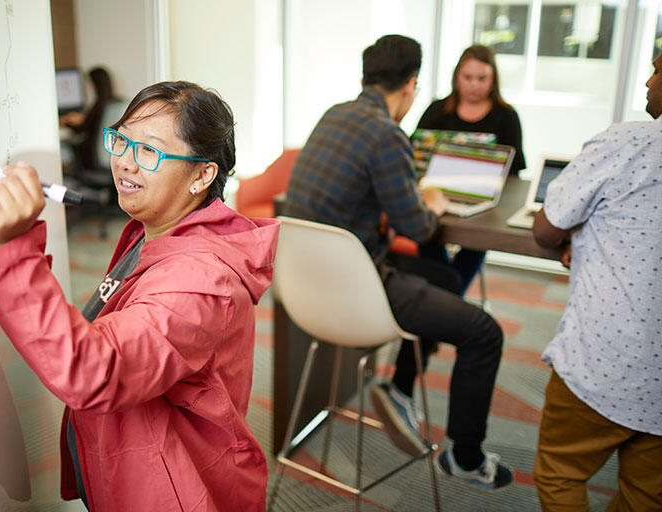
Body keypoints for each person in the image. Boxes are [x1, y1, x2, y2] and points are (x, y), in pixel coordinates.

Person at [0, 81, 279, 510]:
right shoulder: (153, 231)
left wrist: (12, 250)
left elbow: (94, 369)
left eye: (149, 151)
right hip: (140, 463)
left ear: (202, 175)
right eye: (121, 140)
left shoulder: (200, 280)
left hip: (176, 490)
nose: (124, 163)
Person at [283, 34, 512, 490]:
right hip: (358, 294)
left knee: (444, 278)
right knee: (486, 333)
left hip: (304, 289)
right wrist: (432, 203)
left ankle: (401, 388)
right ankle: (465, 459)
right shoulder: (387, 134)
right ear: (410, 84)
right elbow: (419, 228)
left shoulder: (333, 114)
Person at [531, 53, 662, 511]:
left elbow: (546, 228)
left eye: (658, 69)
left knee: (559, 473)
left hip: (605, 363)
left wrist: (580, 232)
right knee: (646, 497)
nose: (647, 81)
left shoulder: (629, 142)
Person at [416, 45, 526, 294]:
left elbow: (514, 171)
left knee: (478, 238)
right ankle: (450, 298)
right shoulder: (437, 110)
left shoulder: (506, 116)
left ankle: (445, 298)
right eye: (468, 77)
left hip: (484, 204)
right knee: (423, 228)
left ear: (493, 79)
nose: (474, 85)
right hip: (435, 196)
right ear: (457, 77)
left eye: (482, 78)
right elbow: (418, 154)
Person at [60, 66, 115, 170]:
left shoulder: (99, 105)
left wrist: (65, 121)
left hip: (90, 156)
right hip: (105, 154)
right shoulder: (112, 103)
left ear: (94, 84)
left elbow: (80, 129)